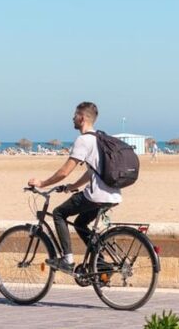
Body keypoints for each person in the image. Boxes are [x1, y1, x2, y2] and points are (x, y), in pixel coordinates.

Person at [27, 102, 121, 271]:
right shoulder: (99, 138)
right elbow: (92, 172)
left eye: (75, 115)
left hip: (97, 195)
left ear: (82, 118)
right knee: (80, 223)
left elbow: (64, 171)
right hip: (113, 195)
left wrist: (42, 183)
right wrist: (73, 186)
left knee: (59, 213)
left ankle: (67, 260)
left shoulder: (83, 140)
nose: (72, 118)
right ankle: (99, 263)